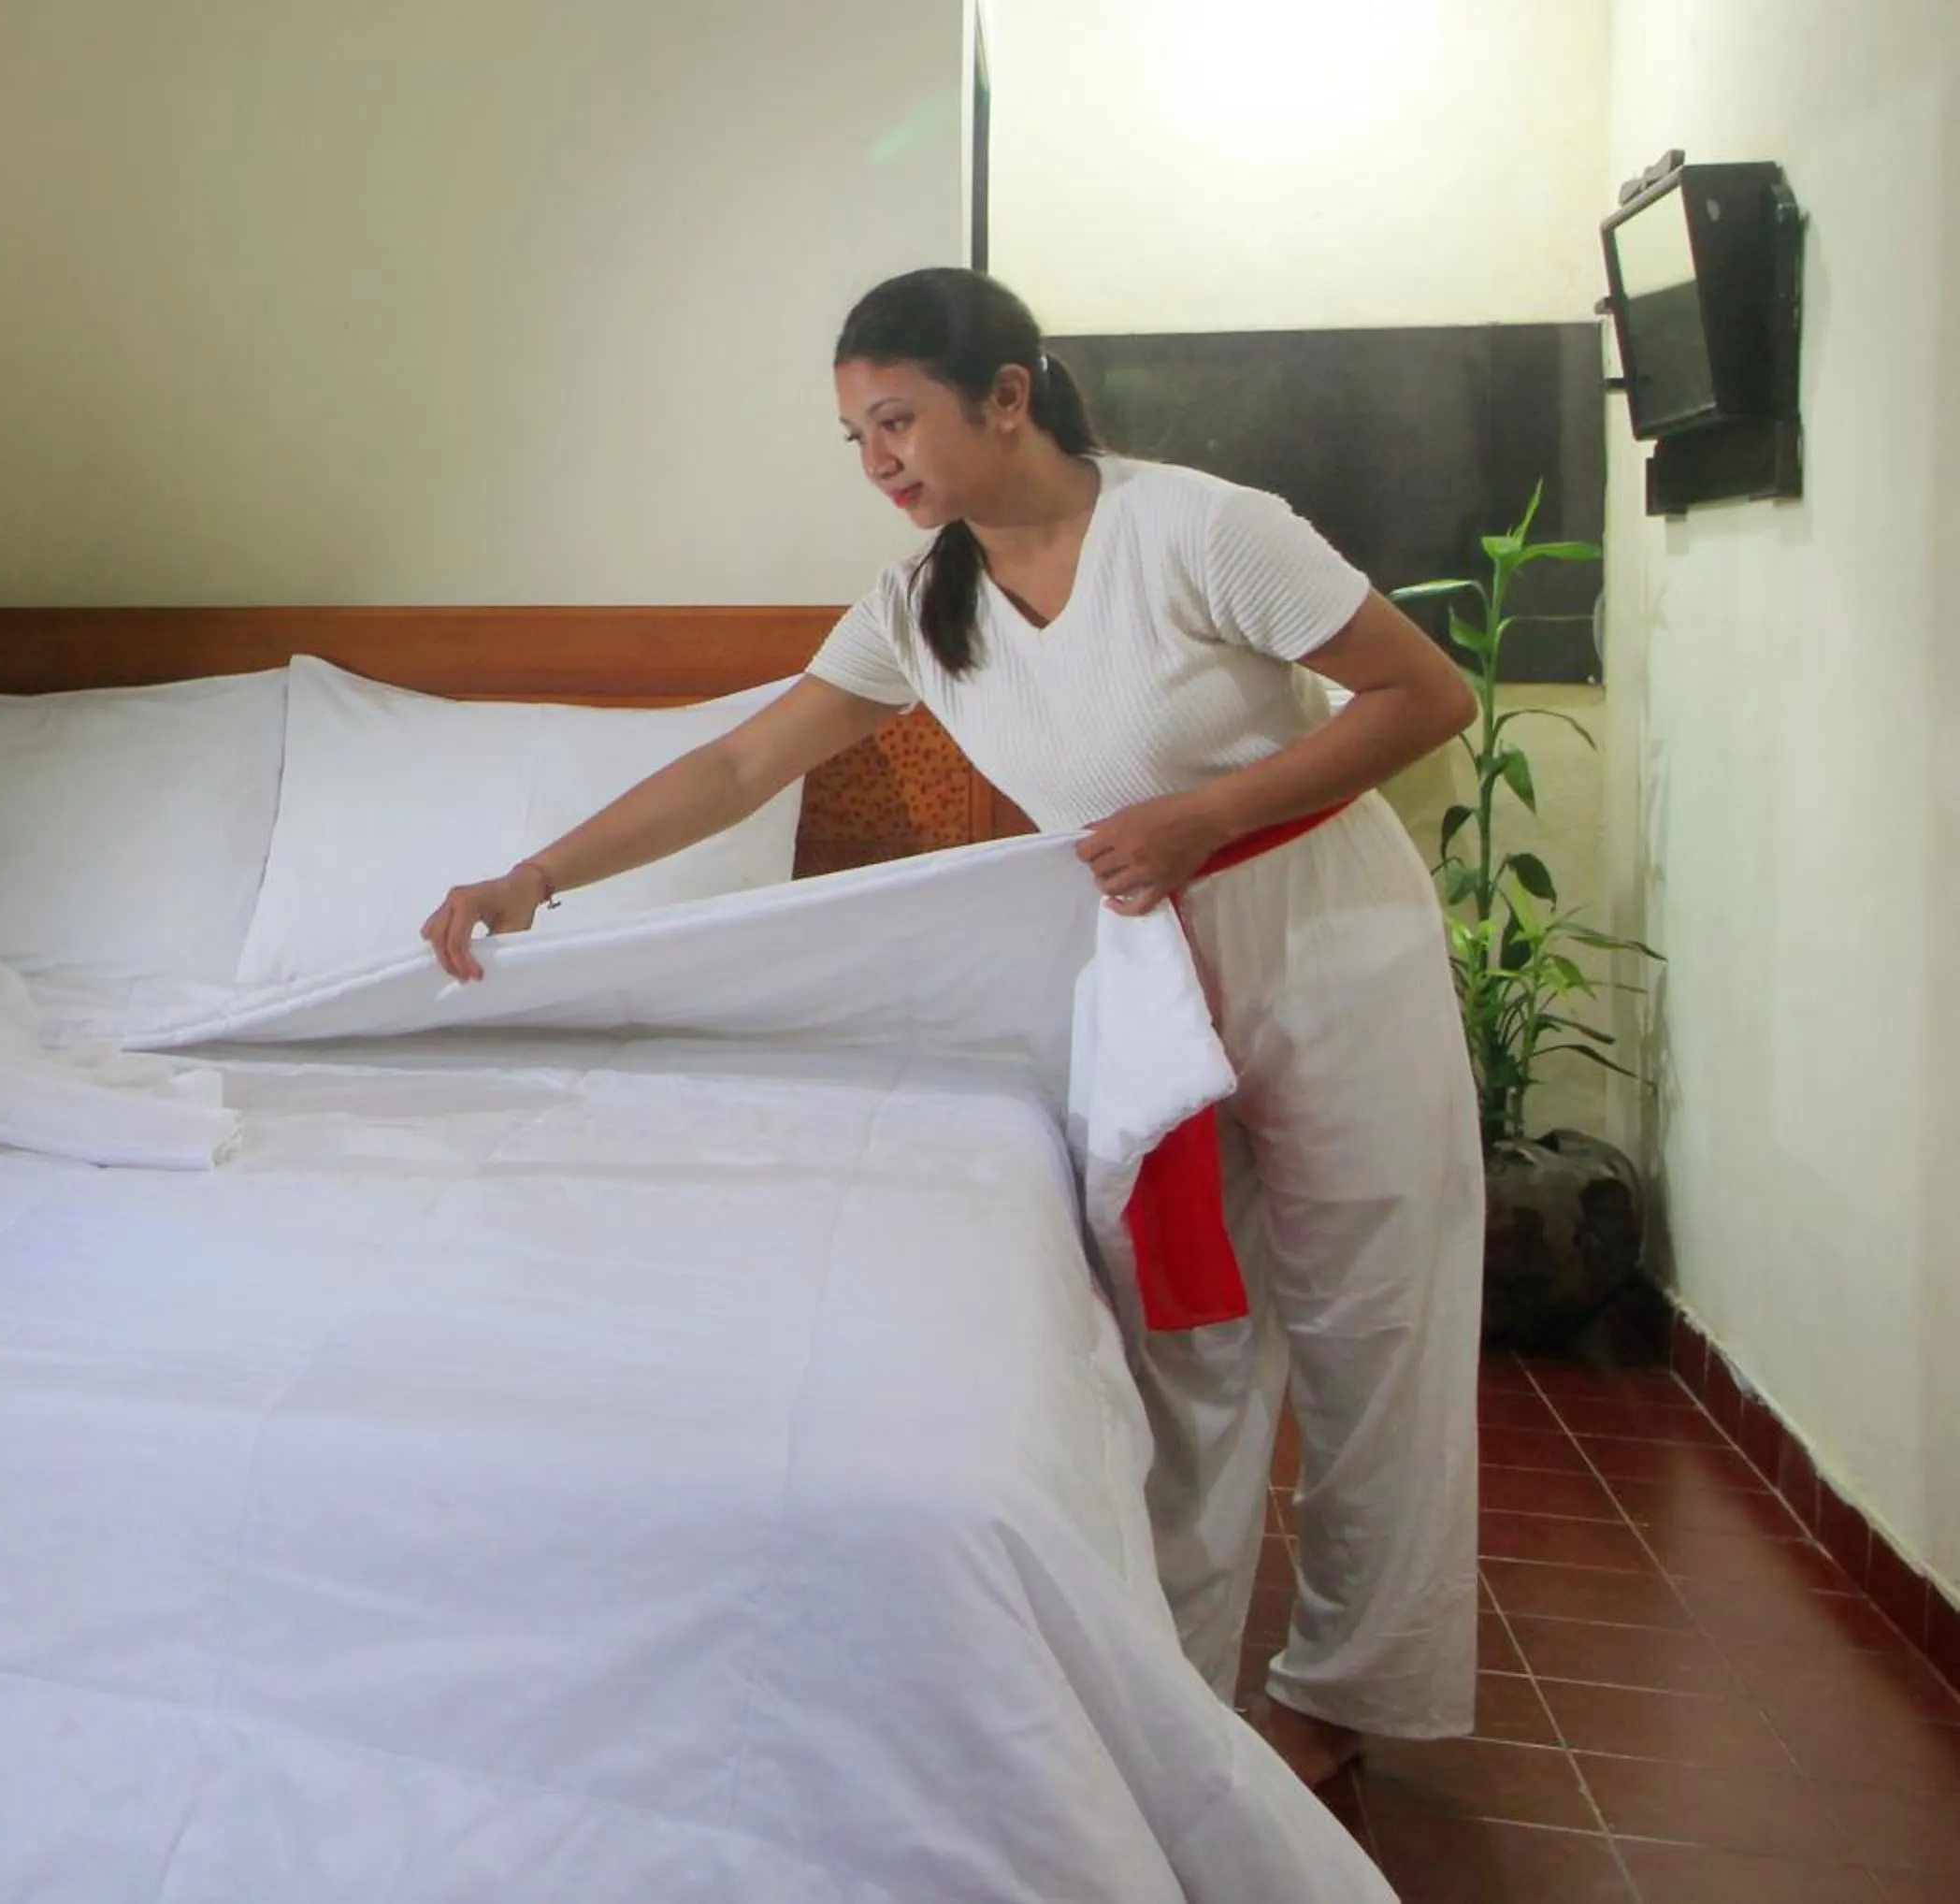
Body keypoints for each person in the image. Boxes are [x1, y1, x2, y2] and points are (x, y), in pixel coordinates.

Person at [419, 266, 1487, 1789]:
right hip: (1150, 968)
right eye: (855, 437)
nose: (881, 463)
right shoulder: (925, 608)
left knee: (1374, 1326)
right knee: (1183, 1341)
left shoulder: (1200, 529)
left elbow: (1423, 694)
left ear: (1009, 394)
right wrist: (536, 875)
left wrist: (1206, 814)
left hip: (1325, 934)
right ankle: (1181, 1696)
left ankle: (1345, 1696)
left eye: (901, 419)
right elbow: (739, 767)